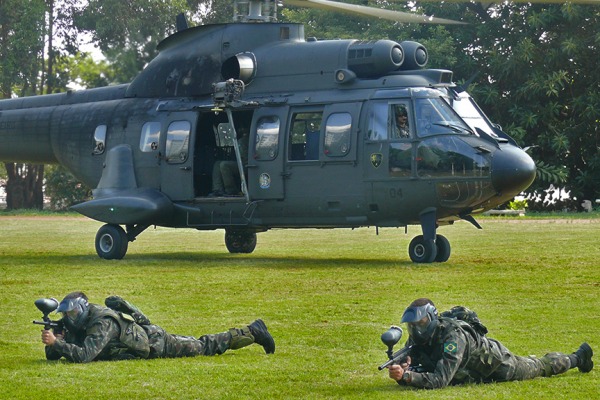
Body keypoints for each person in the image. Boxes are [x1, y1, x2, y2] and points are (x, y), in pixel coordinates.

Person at [387, 298, 593, 389]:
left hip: (496, 365)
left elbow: (440, 380)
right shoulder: (417, 337)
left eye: (421, 323)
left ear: (432, 319)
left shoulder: (453, 338)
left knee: (539, 367)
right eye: (413, 325)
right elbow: (419, 365)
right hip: (469, 371)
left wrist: (407, 376)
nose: (416, 329)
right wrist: (405, 369)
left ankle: (578, 358)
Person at [40, 292, 275, 363]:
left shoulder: (102, 322)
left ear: (82, 308)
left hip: (156, 343)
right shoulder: (76, 322)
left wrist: (58, 343)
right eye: (66, 314)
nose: (70, 318)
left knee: (204, 345)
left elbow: (84, 356)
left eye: (72, 313)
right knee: (203, 344)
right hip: (142, 341)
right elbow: (54, 356)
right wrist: (55, 340)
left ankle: (253, 331)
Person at [210, 124, 249, 197]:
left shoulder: (245, 140)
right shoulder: (240, 141)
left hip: (247, 165)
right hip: (240, 163)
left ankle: (231, 190)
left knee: (224, 165)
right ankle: (218, 189)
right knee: (217, 164)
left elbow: (244, 157)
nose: (241, 130)